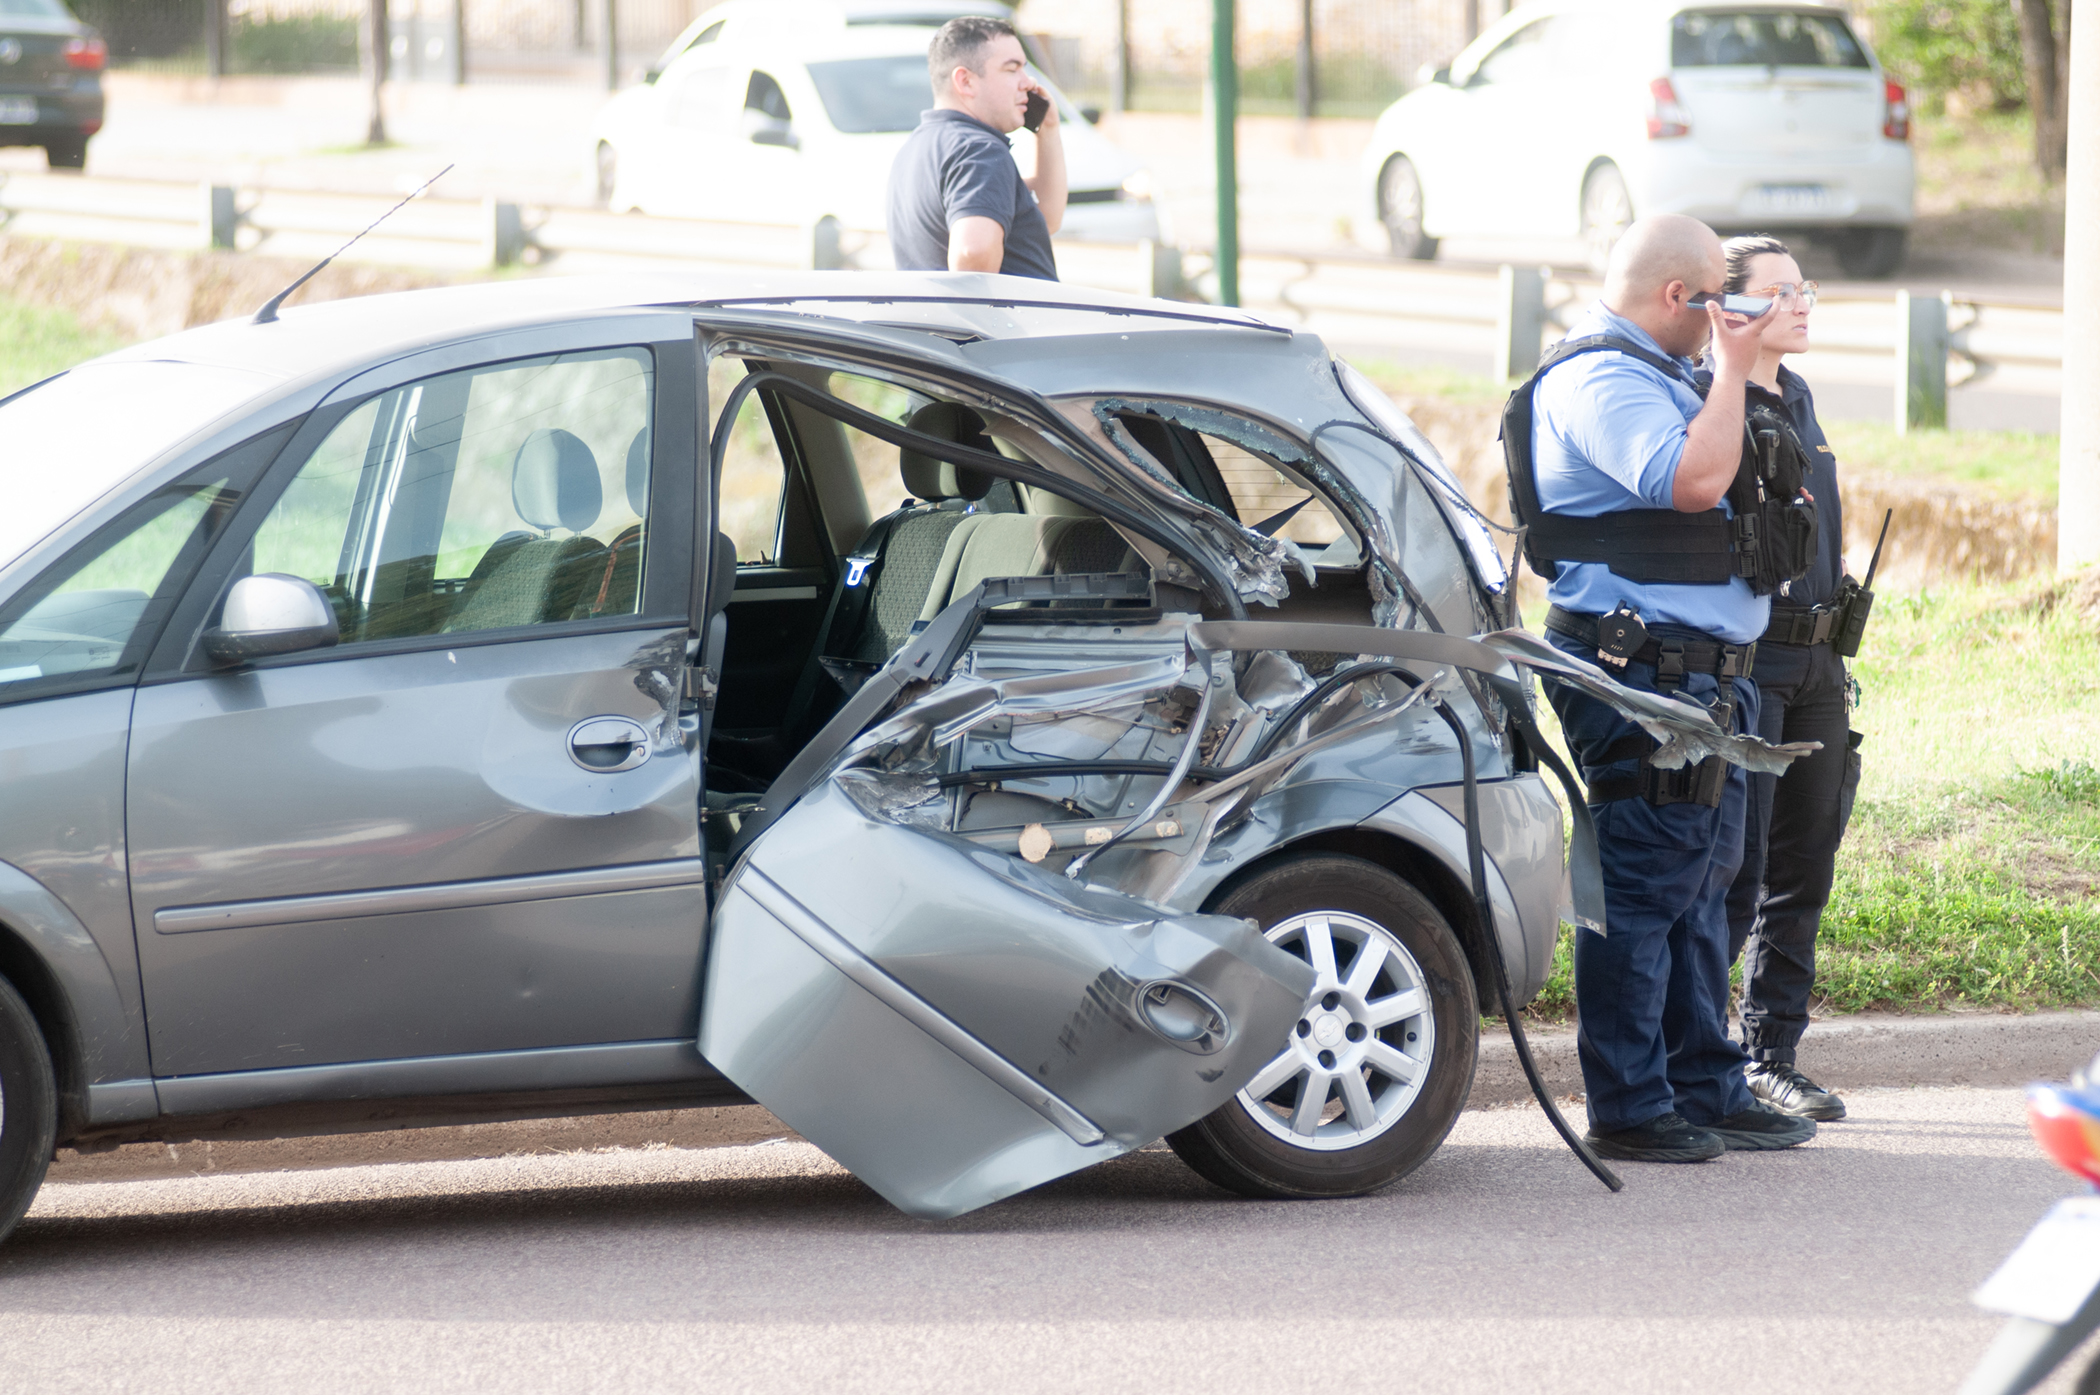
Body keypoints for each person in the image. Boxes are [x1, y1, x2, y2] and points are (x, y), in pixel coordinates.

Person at [1525, 214, 1818, 1162]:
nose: (1722, 325)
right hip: (1638, 671)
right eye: (1716, 308)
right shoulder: (1598, 378)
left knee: (1704, 884)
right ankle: (1630, 1102)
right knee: (1648, 884)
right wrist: (1732, 372)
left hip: (1701, 676)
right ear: (1676, 298)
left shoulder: (1662, 370)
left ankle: (1705, 1080)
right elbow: (1689, 481)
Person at [1717, 235, 1858, 1123]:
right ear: (1730, 309)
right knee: (1737, 868)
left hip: (1820, 663)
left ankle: (1773, 1054)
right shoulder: (1714, 400)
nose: (1802, 304)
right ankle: (1702, 1057)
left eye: (1806, 289)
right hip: (1753, 661)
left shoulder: (1800, 396)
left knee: (1806, 864)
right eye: (1781, 291)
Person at [887, 16, 1065, 281]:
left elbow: (1046, 219)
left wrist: (1047, 129)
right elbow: (972, 255)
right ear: (966, 81)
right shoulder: (980, 150)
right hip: (999, 322)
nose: (1027, 82)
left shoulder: (915, 148)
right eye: (1011, 69)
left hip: (936, 321)